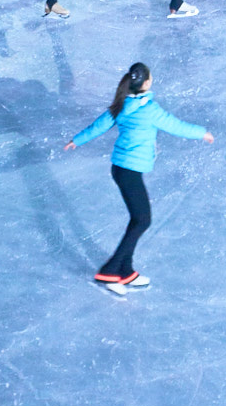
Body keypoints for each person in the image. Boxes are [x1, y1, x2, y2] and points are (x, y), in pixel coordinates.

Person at [65, 62, 212, 292]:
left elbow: (98, 126)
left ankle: (125, 271)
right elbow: (175, 125)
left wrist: (77, 140)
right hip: (129, 171)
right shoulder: (150, 109)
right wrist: (202, 133)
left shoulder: (122, 104)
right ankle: (110, 271)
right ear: (147, 83)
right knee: (142, 220)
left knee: (138, 219)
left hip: (120, 169)